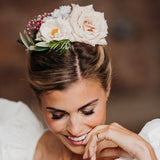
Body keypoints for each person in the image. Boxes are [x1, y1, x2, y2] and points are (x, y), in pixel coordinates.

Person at [0, 4, 159, 160]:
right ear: (39, 100)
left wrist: (144, 152)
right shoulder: (10, 137)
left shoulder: (146, 150)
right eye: (57, 115)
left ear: (107, 89)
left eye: (88, 111)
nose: (75, 130)